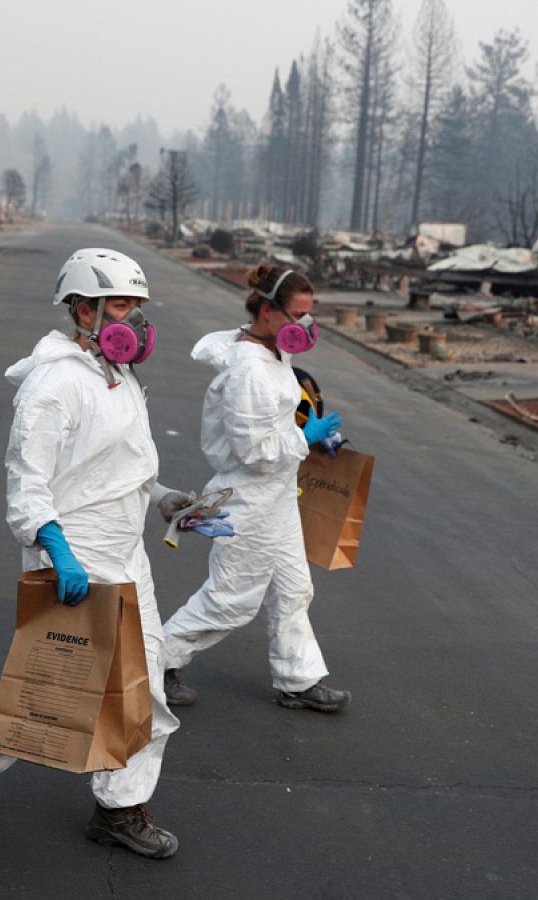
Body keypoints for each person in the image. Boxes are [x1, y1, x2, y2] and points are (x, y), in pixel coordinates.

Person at [0, 248, 196, 860]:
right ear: (84, 309)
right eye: (122, 307)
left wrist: (165, 500)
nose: (135, 322)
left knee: (144, 686)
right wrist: (54, 549)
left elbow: (113, 468)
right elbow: (27, 479)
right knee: (55, 695)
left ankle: (120, 808)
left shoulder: (120, 376)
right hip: (74, 557)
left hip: (126, 555)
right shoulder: (54, 385)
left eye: (139, 308)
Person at [159, 264, 352, 713]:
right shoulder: (248, 368)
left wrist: (310, 431)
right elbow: (253, 451)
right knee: (230, 601)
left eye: (310, 315)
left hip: (277, 495)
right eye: (298, 315)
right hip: (247, 497)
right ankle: (154, 662)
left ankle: (298, 679)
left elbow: (274, 424)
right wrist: (303, 438)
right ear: (267, 311)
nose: (306, 326)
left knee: (293, 588)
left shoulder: (271, 351)